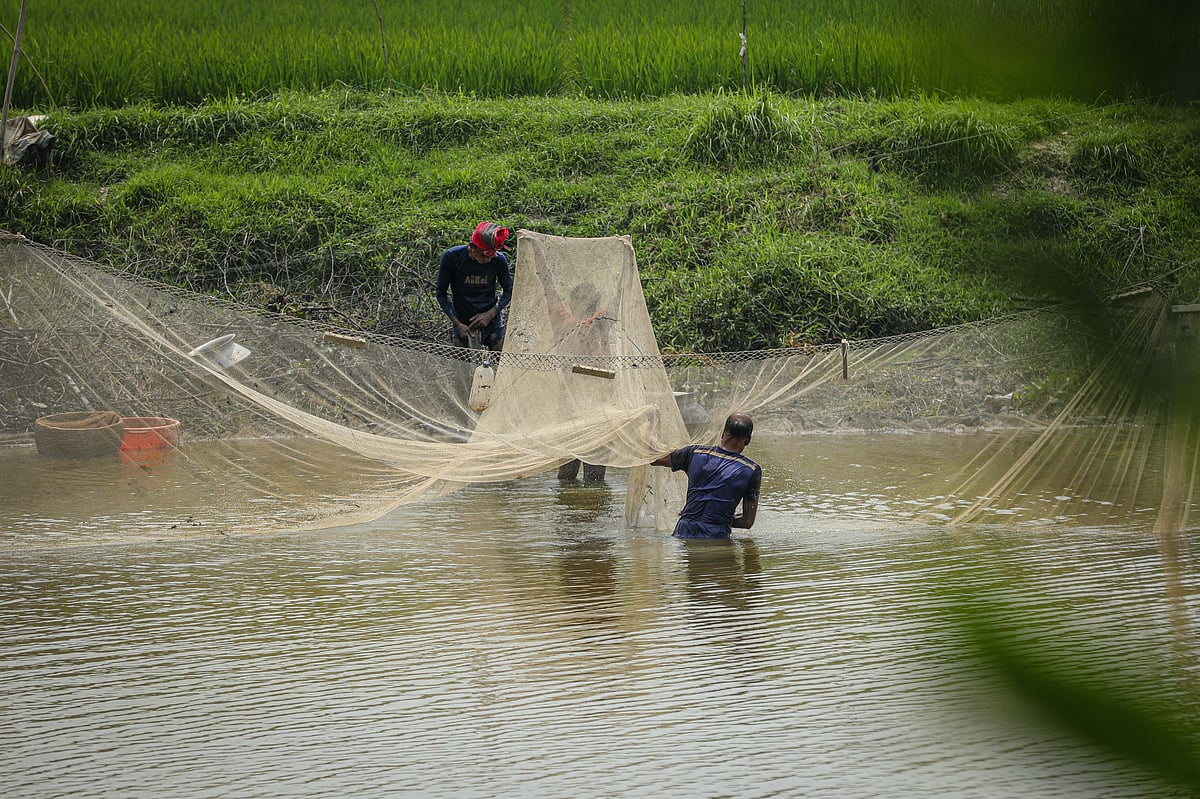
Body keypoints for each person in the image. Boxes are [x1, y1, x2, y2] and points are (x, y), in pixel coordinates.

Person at [651, 413, 761, 539]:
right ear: (747, 440)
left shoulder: (694, 453)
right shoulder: (751, 470)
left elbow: (653, 459)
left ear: (723, 433)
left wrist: (693, 514)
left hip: (684, 531)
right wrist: (714, 518)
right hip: (716, 535)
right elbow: (747, 522)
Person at [435, 221, 513, 351]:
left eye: (490, 256)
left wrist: (491, 313)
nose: (487, 260)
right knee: (460, 362)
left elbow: (509, 291)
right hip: (463, 322)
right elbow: (441, 294)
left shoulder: (498, 260)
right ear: (472, 247)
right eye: (483, 255)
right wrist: (457, 324)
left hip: (491, 322)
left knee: (503, 357)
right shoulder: (452, 257)